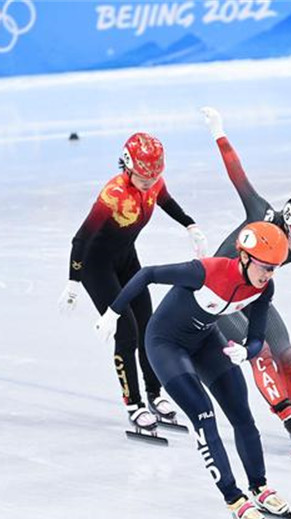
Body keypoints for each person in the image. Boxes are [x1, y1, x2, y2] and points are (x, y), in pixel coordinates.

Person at [95, 221, 291, 519]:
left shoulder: (264, 287)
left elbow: (256, 335)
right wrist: (113, 313)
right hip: (165, 345)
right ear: (243, 257)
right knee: (204, 417)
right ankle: (234, 499)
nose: (267, 275)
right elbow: (148, 273)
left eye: (274, 268)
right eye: (264, 266)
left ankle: (260, 486)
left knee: (242, 415)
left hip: (205, 341)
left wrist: (248, 351)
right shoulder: (205, 271)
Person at [200, 107, 291, 446]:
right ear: (284, 224)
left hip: (255, 295)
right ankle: (288, 418)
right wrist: (219, 131)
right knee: (258, 353)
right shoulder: (262, 214)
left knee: (286, 353)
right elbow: (237, 175)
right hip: (219, 297)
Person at [59, 132, 208, 431]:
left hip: (127, 260)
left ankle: (154, 394)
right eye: (143, 178)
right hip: (95, 267)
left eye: (154, 177)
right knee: (125, 331)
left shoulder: (153, 180)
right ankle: (134, 404)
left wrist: (190, 224)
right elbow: (81, 239)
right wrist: (73, 282)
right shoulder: (113, 195)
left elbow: (166, 200)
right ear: (127, 167)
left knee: (148, 326)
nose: (149, 183)